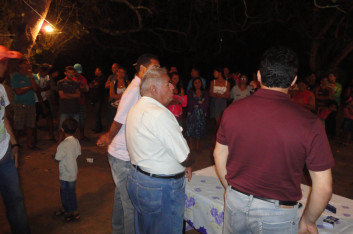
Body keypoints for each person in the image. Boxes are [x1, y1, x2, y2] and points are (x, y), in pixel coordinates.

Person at [214, 46, 334, 234]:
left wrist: (229, 188)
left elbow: (219, 153)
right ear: (294, 80)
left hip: (235, 201)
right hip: (276, 213)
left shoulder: (231, 111)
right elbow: (324, 187)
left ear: (259, 76)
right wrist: (308, 221)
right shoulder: (310, 123)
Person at [97, 54, 159, 234]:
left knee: (121, 196)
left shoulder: (141, 88)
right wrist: (109, 137)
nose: (156, 71)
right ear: (142, 69)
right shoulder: (135, 90)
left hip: (125, 152)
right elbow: (119, 119)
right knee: (131, 203)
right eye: (153, 67)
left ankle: (118, 229)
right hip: (122, 155)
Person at [126, 66, 193, 234]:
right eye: (168, 84)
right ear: (153, 89)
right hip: (161, 188)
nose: (173, 87)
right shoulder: (159, 114)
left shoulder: (137, 107)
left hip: (139, 179)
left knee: (145, 228)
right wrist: (191, 161)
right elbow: (185, 157)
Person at [0, 45, 30, 234]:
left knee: (16, 202)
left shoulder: (1, 89)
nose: (6, 68)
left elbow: (2, 118)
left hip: (5, 156)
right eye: (5, 63)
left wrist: (15, 144)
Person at [54, 118, 81, 222]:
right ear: (76, 129)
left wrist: (59, 140)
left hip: (65, 174)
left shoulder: (62, 145)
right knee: (71, 193)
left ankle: (70, 211)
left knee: (65, 193)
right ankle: (73, 211)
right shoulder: (76, 141)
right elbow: (78, 154)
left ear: (62, 130)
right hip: (73, 172)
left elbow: (57, 158)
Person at [11, 58, 39, 149]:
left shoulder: (34, 76)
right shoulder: (15, 77)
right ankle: (16, 144)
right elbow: (18, 91)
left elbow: (35, 89)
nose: (27, 65)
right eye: (25, 63)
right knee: (18, 126)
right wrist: (30, 86)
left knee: (30, 125)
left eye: (29, 63)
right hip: (19, 104)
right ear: (20, 65)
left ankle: (29, 144)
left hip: (31, 103)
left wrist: (30, 77)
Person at [186, 77, 209, 151]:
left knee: (199, 129)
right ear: (193, 84)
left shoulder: (205, 92)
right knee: (190, 129)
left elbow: (206, 103)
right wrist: (200, 102)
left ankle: (197, 145)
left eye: (199, 82)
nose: (197, 84)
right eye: (195, 82)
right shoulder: (190, 92)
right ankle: (191, 144)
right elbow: (190, 103)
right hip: (192, 113)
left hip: (201, 114)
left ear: (201, 83)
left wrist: (198, 103)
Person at [35, 63, 55, 141]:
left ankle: (51, 136)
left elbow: (48, 86)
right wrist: (43, 106)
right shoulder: (36, 78)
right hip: (36, 101)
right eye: (47, 70)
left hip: (44, 99)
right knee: (35, 121)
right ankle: (35, 138)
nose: (48, 72)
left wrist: (42, 89)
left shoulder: (46, 76)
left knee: (49, 118)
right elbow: (37, 92)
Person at [57, 66, 80, 134]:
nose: (71, 74)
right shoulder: (60, 82)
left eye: (72, 73)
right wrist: (73, 96)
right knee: (61, 129)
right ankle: (60, 143)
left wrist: (66, 94)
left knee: (75, 129)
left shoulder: (76, 83)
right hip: (64, 110)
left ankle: (73, 143)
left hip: (75, 109)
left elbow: (78, 95)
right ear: (65, 73)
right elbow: (61, 96)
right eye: (69, 73)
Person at [73, 63, 89, 141]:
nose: (78, 73)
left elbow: (86, 89)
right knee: (73, 120)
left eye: (79, 72)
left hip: (81, 101)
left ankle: (82, 136)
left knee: (82, 119)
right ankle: (71, 137)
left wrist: (81, 88)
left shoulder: (83, 78)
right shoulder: (69, 78)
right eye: (76, 72)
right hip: (72, 103)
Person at [89, 67, 106, 133]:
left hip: (99, 98)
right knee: (95, 113)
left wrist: (93, 85)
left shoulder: (103, 78)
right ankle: (98, 127)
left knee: (97, 113)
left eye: (96, 71)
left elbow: (95, 84)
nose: (95, 72)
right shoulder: (96, 78)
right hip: (94, 98)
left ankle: (99, 128)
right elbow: (91, 85)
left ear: (100, 71)